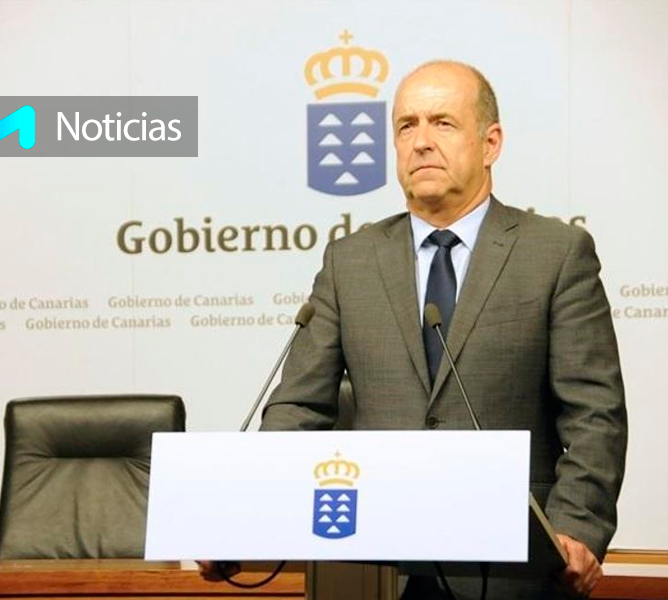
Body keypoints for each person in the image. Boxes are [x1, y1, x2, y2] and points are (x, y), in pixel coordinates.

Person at [201, 60, 627, 599]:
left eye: (442, 123)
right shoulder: (350, 261)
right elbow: (297, 409)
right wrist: (243, 515)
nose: (421, 142)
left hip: (509, 566)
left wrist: (577, 529)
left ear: (491, 143)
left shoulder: (555, 253)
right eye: (407, 126)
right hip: (375, 567)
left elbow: (594, 413)